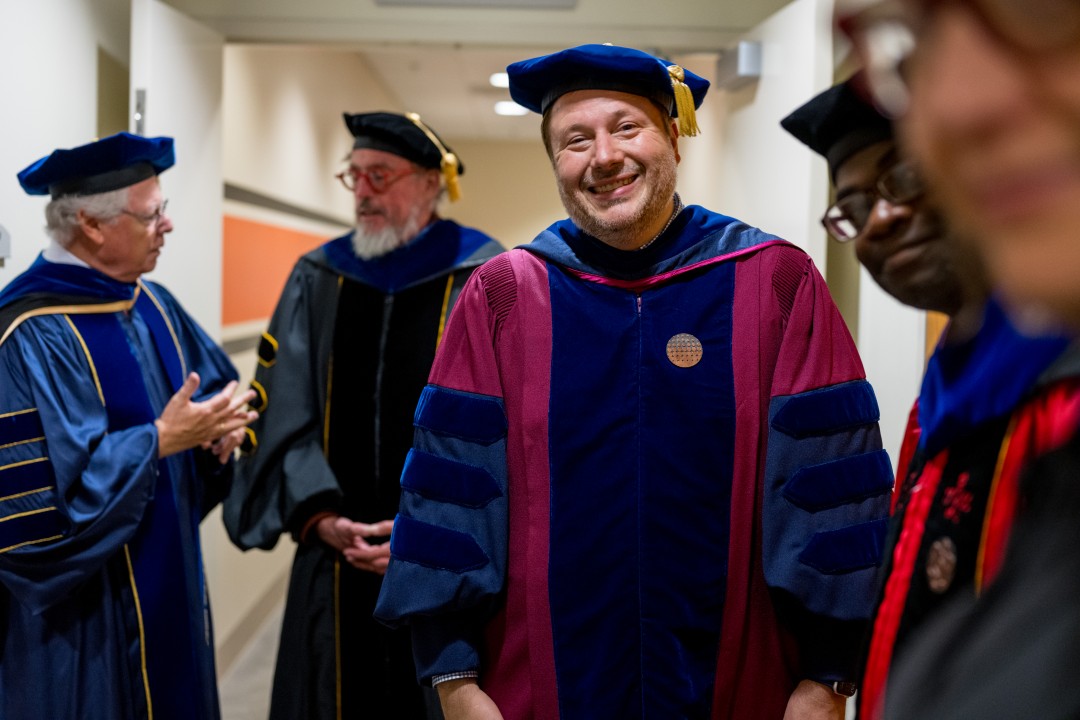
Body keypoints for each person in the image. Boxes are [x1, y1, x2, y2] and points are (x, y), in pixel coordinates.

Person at [373, 44, 894, 720]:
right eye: (574, 140)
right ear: (555, 162)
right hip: (537, 683)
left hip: (743, 680)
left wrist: (829, 674)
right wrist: (453, 677)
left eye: (627, 127)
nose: (604, 156)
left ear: (674, 137)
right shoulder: (503, 294)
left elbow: (834, 486)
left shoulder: (774, 281)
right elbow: (450, 490)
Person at [782, 77, 1080, 719]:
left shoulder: (1061, 385)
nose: (880, 220)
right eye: (854, 210)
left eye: (905, 178)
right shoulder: (949, 391)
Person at [223, 111, 503, 720]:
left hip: (446, 559)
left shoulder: (482, 276)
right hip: (337, 556)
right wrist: (319, 516)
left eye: (381, 175)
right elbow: (282, 409)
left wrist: (425, 532)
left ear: (431, 182)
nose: (365, 192)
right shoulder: (318, 277)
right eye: (355, 177)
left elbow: (501, 430)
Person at [0, 132, 256, 719]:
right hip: (82, 615)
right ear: (91, 224)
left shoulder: (153, 302)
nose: (167, 226)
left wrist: (219, 429)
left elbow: (212, 390)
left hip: (168, 577)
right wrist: (160, 442)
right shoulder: (27, 333)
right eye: (153, 214)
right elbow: (30, 513)